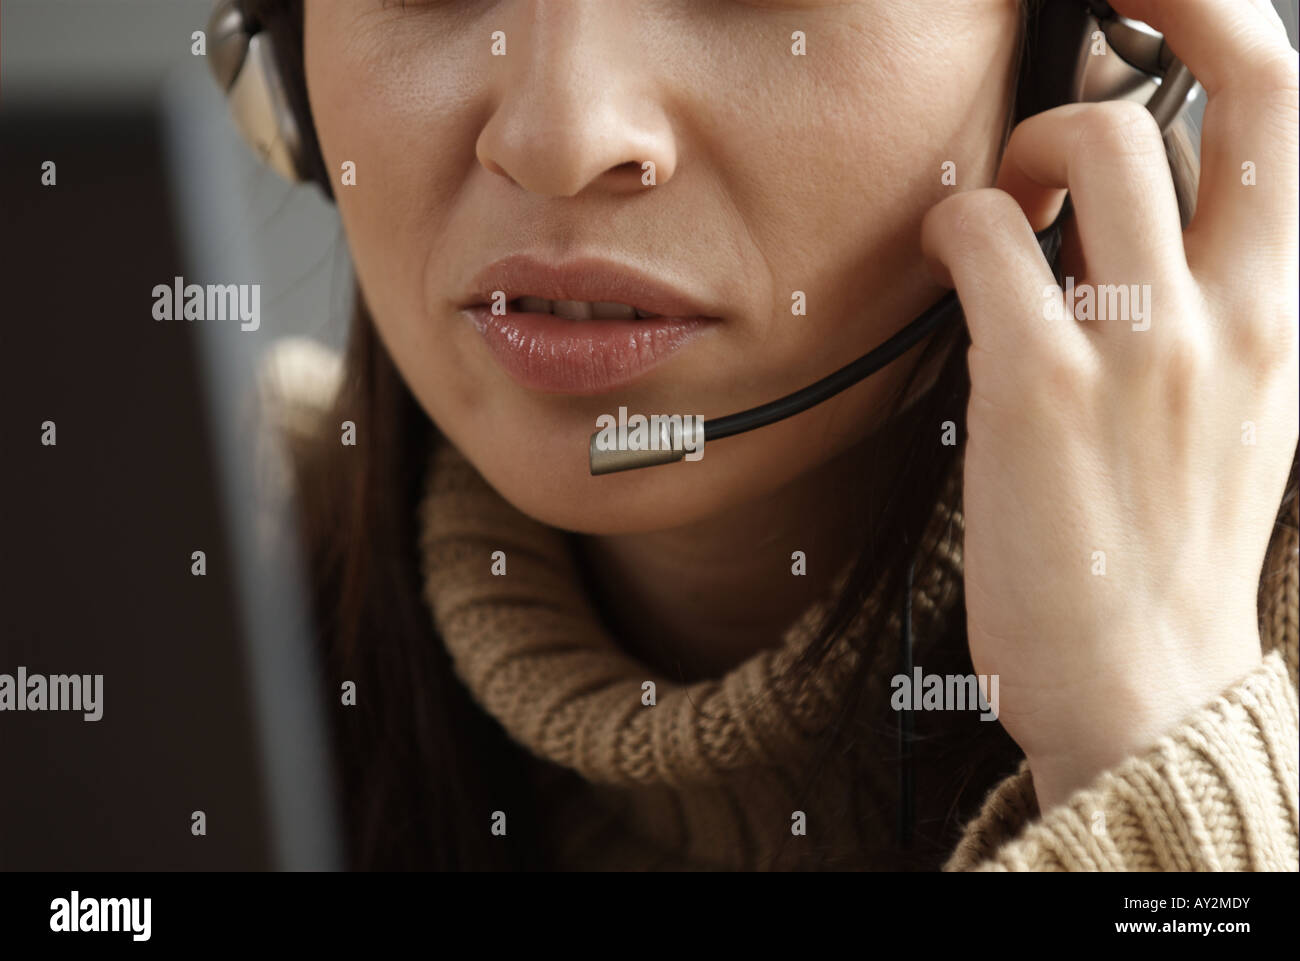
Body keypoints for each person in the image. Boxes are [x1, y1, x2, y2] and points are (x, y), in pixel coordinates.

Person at [249, 0, 1299, 870]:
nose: (558, 141)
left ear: (1100, 57)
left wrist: (1150, 719)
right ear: (274, 59)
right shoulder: (166, 566)